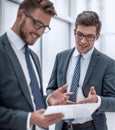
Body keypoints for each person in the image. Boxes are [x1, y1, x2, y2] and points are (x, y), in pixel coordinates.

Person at [0, 0, 66, 130]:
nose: (40, 32)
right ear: (20, 15)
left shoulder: (33, 58)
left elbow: (28, 99)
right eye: (37, 24)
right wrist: (29, 119)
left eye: (45, 27)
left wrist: (48, 100)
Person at [46, 11, 115, 130]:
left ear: (97, 37)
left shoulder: (107, 63)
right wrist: (50, 98)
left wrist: (97, 100)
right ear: (74, 32)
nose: (83, 41)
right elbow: (51, 88)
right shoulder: (61, 57)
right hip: (62, 126)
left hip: (91, 126)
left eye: (89, 37)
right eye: (80, 34)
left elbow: (113, 101)